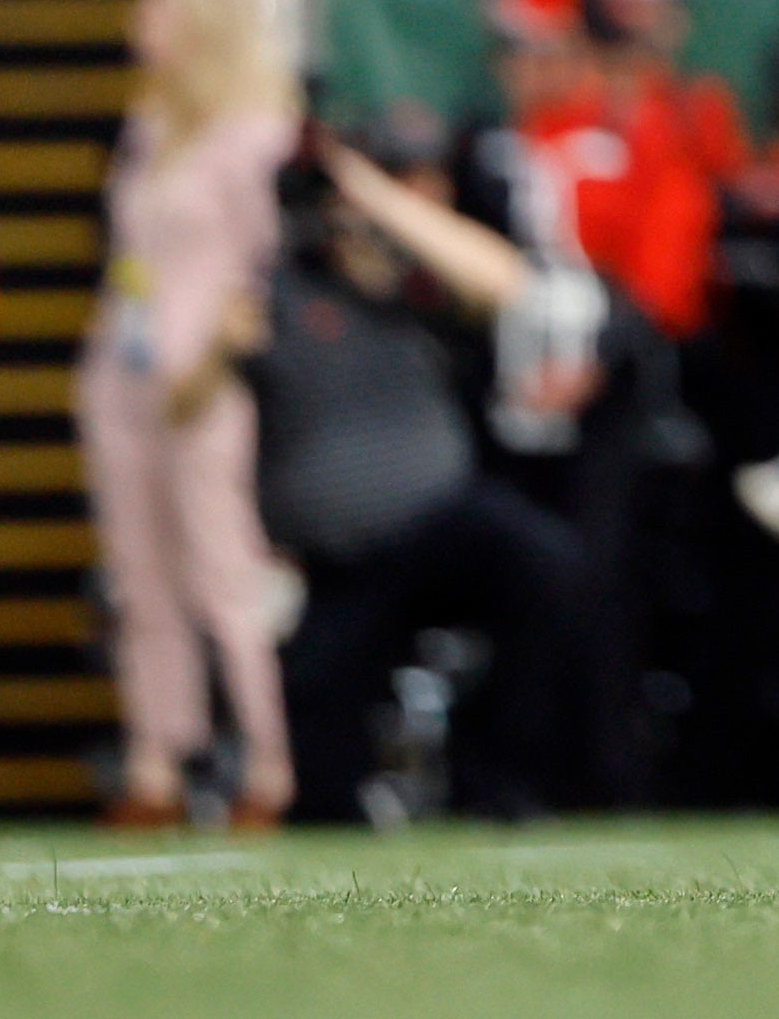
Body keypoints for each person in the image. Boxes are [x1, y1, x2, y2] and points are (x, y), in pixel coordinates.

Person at [255, 125, 595, 823]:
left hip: (438, 522)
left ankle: (497, 782)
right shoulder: (279, 286)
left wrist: (376, 197)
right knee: (314, 711)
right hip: (336, 557)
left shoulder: (416, 288)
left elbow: (506, 281)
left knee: (545, 564)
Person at [81, 0, 300, 828]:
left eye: (156, 7)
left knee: (220, 570)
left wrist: (212, 363)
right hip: (122, 366)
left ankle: (266, 760)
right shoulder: (148, 126)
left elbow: (262, 273)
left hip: (200, 378)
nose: (142, 25)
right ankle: (156, 759)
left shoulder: (255, 133)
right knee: (141, 578)